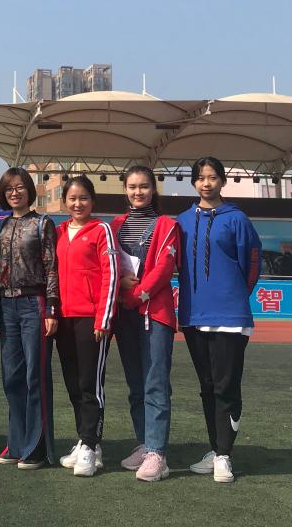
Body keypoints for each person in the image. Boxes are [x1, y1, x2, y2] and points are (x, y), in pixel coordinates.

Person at [177, 156, 262, 484]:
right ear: (194, 182)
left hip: (229, 316)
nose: (206, 183)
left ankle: (225, 455)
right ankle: (216, 449)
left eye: (212, 177)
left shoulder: (237, 219)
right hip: (192, 315)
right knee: (207, 387)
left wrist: (236, 296)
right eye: (201, 178)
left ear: (223, 181)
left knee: (226, 386)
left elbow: (251, 262)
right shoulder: (182, 221)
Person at [111, 165, 180, 482]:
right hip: (125, 315)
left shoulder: (167, 225)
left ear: (153, 190)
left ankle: (157, 453)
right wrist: (120, 286)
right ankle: (144, 443)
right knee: (136, 385)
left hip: (155, 313)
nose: (137, 192)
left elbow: (164, 268)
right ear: (125, 190)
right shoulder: (116, 225)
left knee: (155, 382)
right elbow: (108, 264)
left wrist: (136, 295)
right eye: (132, 187)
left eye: (143, 186)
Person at [54, 175, 120, 477]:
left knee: (90, 384)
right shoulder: (59, 232)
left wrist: (103, 319)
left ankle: (91, 446)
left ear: (92, 201)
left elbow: (111, 275)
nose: (77, 203)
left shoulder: (101, 230)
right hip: (64, 320)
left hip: (92, 320)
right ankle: (85, 440)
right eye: (72, 198)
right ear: (64, 202)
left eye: (83, 198)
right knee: (73, 384)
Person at [0, 167, 59, 471]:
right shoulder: (1, 226)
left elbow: (51, 267)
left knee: (36, 376)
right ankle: (18, 441)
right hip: (7, 305)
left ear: (29, 190)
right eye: (9, 189)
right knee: (12, 377)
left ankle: (37, 446)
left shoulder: (43, 224)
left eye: (20, 187)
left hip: (35, 303)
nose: (15, 193)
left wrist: (52, 308)